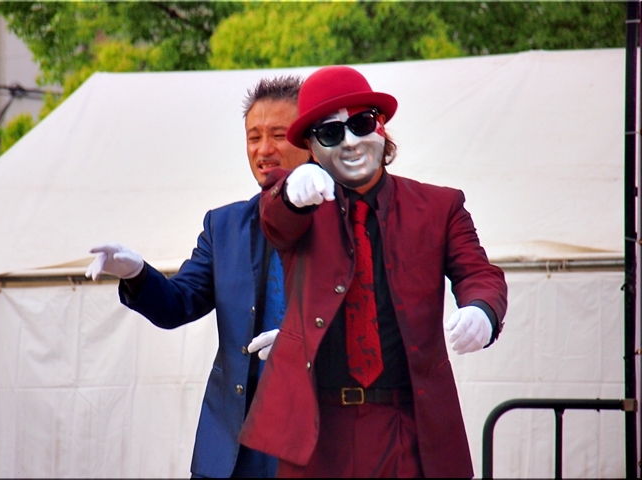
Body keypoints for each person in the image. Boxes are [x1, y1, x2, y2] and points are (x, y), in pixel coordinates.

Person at [237, 65, 508, 478]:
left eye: (362, 123)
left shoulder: (439, 206)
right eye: (330, 133)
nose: (350, 141)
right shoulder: (301, 203)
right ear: (311, 147)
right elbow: (276, 219)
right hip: (319, 430)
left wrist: (482, 310)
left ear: (381, 126)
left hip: (408, 425)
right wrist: (291, 192)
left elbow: (479, 274)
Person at [85, 76, 310, 478]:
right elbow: (177, 305)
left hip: (312, 440)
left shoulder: (345, 222)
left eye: (278, 135)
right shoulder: (224, 226)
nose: (263, 149)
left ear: (310, 141)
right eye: (253, 137)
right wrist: (136, 274)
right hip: (231, 445)